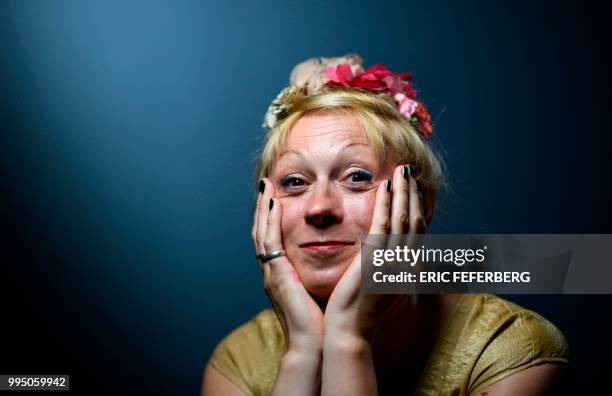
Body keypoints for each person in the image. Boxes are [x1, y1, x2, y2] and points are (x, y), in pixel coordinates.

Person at [201, 54, 570, 396]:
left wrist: (347, 340)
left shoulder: (511, 351)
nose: (319, 207)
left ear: (420, 203)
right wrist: (302, 356)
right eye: (295, 182)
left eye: (357, 176)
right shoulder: (237, 365)